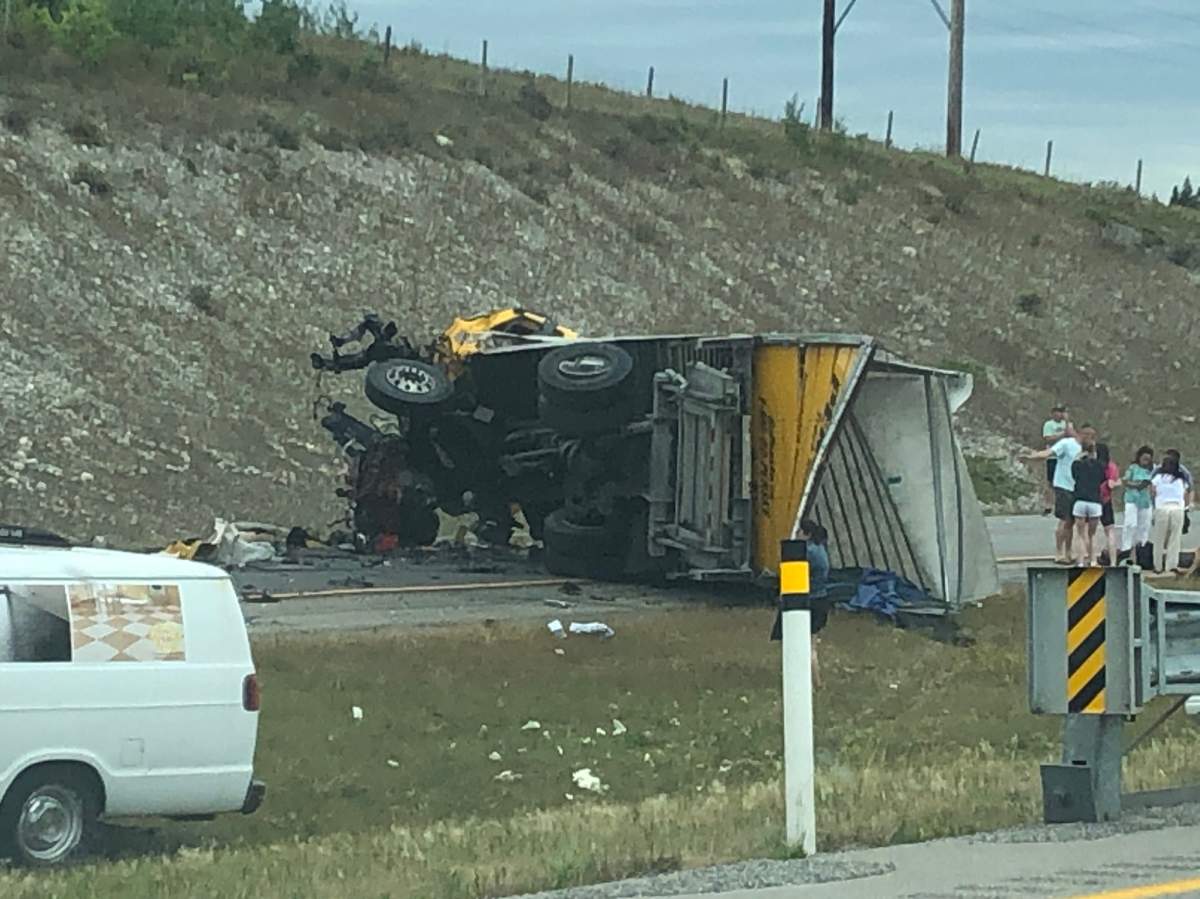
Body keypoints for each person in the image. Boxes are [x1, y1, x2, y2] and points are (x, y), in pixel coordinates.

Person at [769, 519, 831, 687]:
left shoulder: (807, 552)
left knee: (796, 643)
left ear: (806, 534)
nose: (796, 536)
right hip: (821, 600)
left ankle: (802, 679)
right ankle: (816, 681)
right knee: (811, 644)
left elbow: (789, 573)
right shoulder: (821, 548)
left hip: (804, 603)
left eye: (799, 532)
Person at [1022, 423, 1088, 565]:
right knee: (1064, 520)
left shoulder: (1087, 450)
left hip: (1077, 487)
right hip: (1063, 485)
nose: (1089, 438)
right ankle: (1059, 551)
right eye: (1087, 434)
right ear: (1080, 432)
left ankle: (1069, 552)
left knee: (1071, 521)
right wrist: (1033, 456)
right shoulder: (1066, 443)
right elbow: (1049, 453)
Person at [1151, 454, 1192, 575]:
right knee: (1175, 538)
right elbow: (1186, 493)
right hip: (1177, 508)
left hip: (1162, 508)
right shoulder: (1181, 479)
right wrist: (1186, 507)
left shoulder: (1158, 477)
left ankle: (1158, 565)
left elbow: (1152, 491)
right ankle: (1171, 565)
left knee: (1159, 538)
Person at [1071, 442, 1106, 567]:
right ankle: (1093, 560)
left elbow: (1073, 476)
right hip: (1095, 502)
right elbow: (1102, 479)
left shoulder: (1077, 464)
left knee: (1080, 534)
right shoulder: (1100, 466)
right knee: (1092, 534)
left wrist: (1078, 457)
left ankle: (1080, 561)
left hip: (1079, 501)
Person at [1122, 446, 1155, 559]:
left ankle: (1142, 550)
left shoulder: (1152, 469)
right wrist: (1138, 485)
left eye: (1148, 459)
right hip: (1132, 499)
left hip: (1146, 501)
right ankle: (1126, 549)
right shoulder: (1133, 468)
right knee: (1130, 524)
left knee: (1144, 526)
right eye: (1144, 458)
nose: (1146, 461)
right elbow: (1125, 481)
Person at [1041, 405, 1071, 515]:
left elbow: (1071, 436)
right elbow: (1048, 439)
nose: (1060, 414)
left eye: (1061, 412)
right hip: (1053, 457)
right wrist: (1062, 434)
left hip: (1065, 458)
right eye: (1057, 412)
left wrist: (1067, 422)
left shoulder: (1067, 425)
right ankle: (1048, 505)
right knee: (1051, 482)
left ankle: (1063, 504)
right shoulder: (1049, 425)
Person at [1095, 443, 1121, 566]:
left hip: (1093, 499)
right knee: (1110, 531)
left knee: (1090, 533)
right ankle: (1113, 561)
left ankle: (1092, 561)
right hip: (1106, 500)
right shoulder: (1111, 466)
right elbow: (1111, 484)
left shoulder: (1092, 465)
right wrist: (1118, 482)